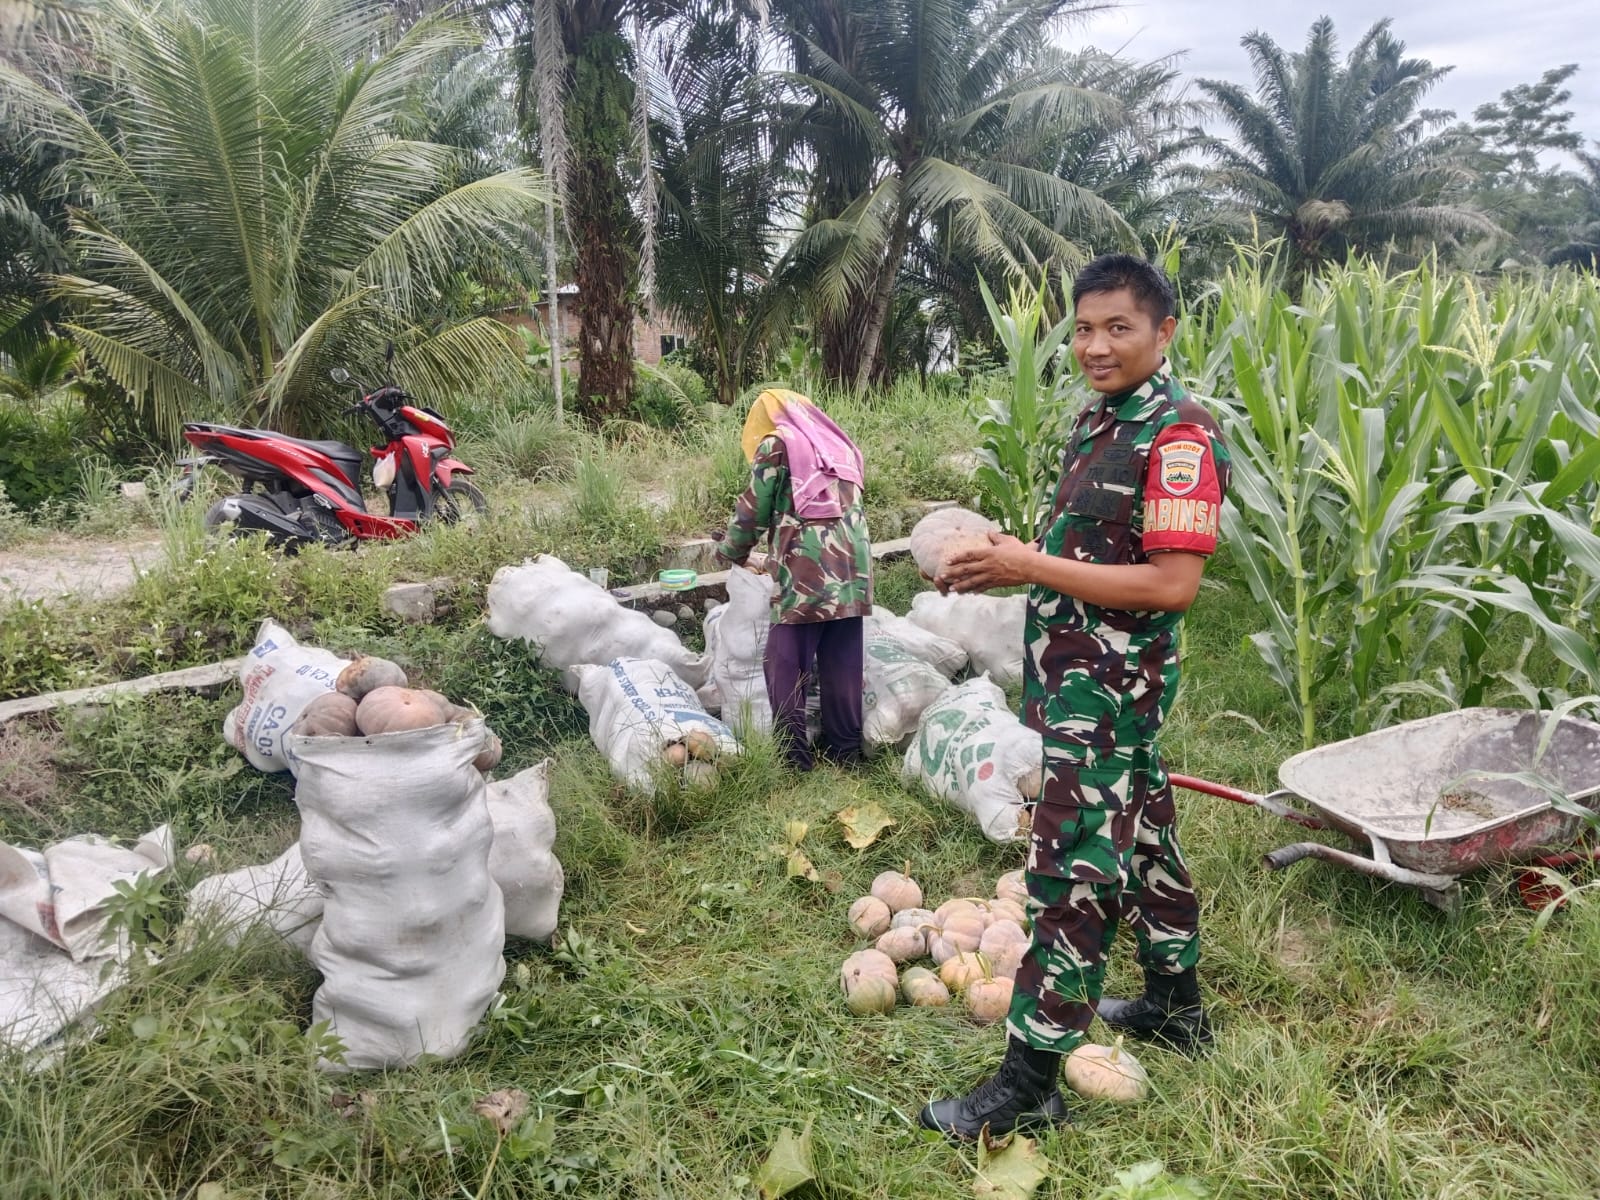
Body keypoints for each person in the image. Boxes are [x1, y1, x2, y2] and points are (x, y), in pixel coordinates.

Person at [919, 254, 1231, 1141]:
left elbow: (1171, 584)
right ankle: (1176, 1005)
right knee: (1149, 837)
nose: (1096, 345)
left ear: (1163, 332)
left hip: (1112, 691)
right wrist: (1007, 558)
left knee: (1068, 875)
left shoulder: (1178, 436)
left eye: (1118, 328)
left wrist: (1028, 566)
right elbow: (1091, 555)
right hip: (1081, 680)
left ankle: (1030, 1081)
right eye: (1084, 329)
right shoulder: (1102, 420)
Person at [715, 388, 873, 770]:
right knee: (842, 661)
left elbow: (752, 510)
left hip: (808, 569)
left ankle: (793, 758)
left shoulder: (778, 445)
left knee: (783, 662)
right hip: (853, 568)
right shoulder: (839, 445)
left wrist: (731, 552)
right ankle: (845, 752)